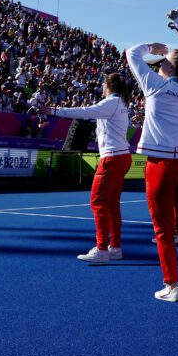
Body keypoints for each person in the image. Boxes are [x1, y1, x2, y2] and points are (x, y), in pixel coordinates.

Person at [126, 26, 178, 302]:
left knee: (162, 229)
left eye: (165, 60)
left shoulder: (155, 86)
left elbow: (130, 53)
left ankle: (172, 285)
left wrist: (152, 45)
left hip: (160, 165)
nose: (161, 63)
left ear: (171, 68)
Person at [49, 73, 133, 263]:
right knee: (112, 204)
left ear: (108, 85)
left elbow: (85, 111)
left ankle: (102, 248)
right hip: (121, 156)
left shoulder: (110, 103)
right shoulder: (120, 104)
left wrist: (54, 110)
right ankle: (115, 247)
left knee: (97, 202)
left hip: (112, 157)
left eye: (104, 83)